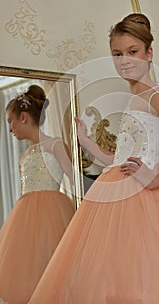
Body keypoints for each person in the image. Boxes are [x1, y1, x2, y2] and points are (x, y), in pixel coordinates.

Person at [28, 14, 159, 303]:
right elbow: (121, 159)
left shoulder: (155, 95)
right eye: (117, 54)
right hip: (117, 197)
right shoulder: (136, 95)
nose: (124, 60)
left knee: (144, 285)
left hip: (145, 203)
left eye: (132, 52)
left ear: (149, 53)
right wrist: (86, 141)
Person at [0, 85, 76, 304]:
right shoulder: (23, 156)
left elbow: (74, 179)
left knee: (55, 269)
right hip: (24, 219)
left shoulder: (55, 145)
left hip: (54, 214)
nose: (10, 129)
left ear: (23, 117)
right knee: (28, 270)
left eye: (10, 121)